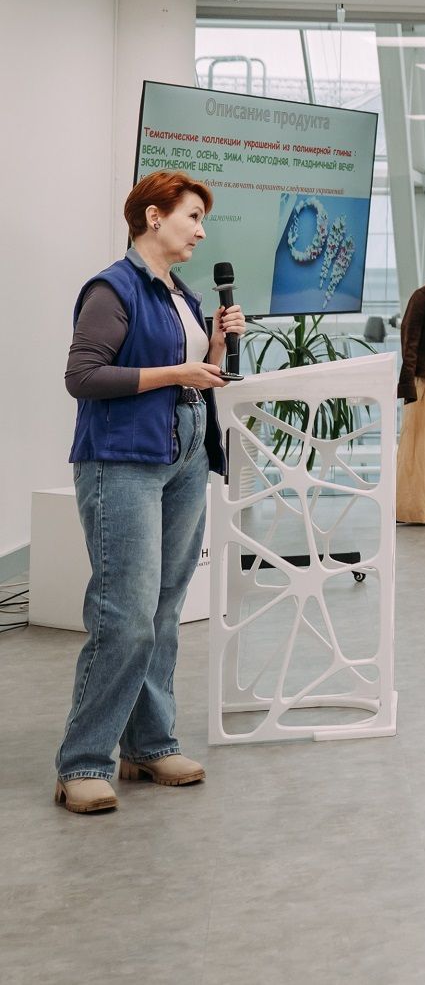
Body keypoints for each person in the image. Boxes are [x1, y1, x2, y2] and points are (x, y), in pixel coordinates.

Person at [55, 171, 245, 814]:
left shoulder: (180, 294)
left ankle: (149, 746)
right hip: (123, 461)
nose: (201, 231)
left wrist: (216, 343)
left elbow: (193, 373)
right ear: (154, 217)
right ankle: (83, 763)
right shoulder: (112, 288)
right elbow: (83, 377)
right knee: (126, 615)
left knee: (163, 612)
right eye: (193, 216)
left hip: (184, 456)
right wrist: (176, 372)